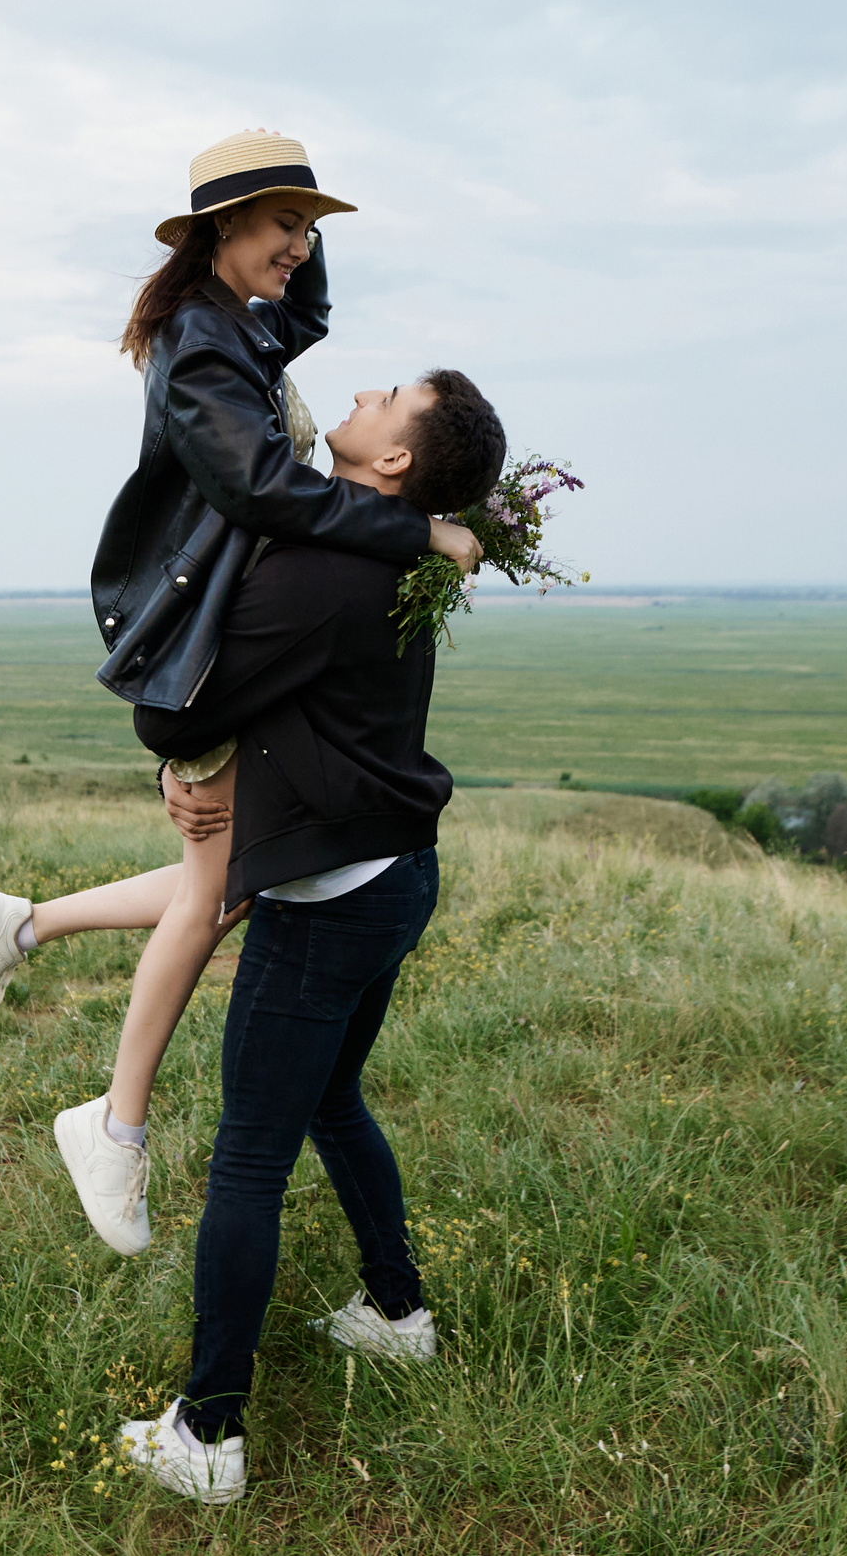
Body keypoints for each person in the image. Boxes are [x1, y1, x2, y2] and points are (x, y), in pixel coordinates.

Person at [0, 130, 483, 1258]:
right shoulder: (200, 348)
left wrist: (292, 231)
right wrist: (417, 525)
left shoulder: (246, 325)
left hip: (230, 628)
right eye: (281, 225)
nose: (298, 250)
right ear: (223, 228)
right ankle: (113, 1123)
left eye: (308, 230)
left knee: (225, 872)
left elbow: (306, 308)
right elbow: (264, 484)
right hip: (196, 636)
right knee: (217, 891)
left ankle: (22, 926)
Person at [100, 365, 507, 1505]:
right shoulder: (394, 542)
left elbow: (170, 706)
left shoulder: (332, 562)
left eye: (392, 397)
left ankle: (209, 1432)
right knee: (330, 1101)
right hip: (393, 868)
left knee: (246, 1159)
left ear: (390, 464)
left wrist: (183, 758)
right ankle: (393, 1308)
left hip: (330, 898)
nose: (368, 388)